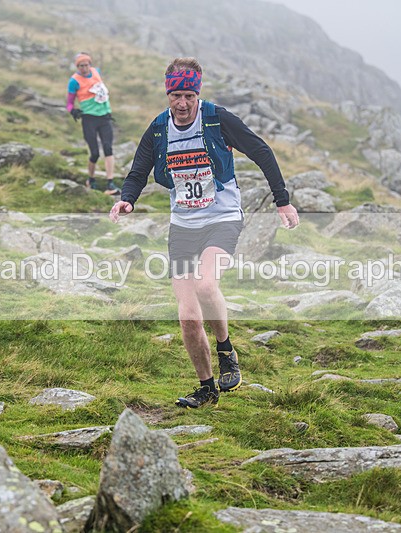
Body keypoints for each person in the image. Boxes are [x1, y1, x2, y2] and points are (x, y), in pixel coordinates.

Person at [109, 57, 299, 408]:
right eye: (176, 96)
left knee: (206, 285)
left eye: (189, 96)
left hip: (221, 218)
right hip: (183, 226)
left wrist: (282, 201)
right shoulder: (158, 129)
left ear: (198, 94)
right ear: (168, 95)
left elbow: (261, 151)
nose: (182, 104)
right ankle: (207, 388)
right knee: (188, 317)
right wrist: (127, 200)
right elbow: (138, 170)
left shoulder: (217, 119)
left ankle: (226, 349)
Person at [67, 53, 120, 195]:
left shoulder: (96, 72)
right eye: (81, 66)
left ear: (90, 64)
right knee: (95, 153)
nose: (84, 68)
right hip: (89, 119)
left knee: (108, 148)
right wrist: (73, 111)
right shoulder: (74, 81)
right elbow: (69, 103)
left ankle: (110, 183)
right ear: (77, 66)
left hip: (104, 117)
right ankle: (91, 179)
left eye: (86, 65)